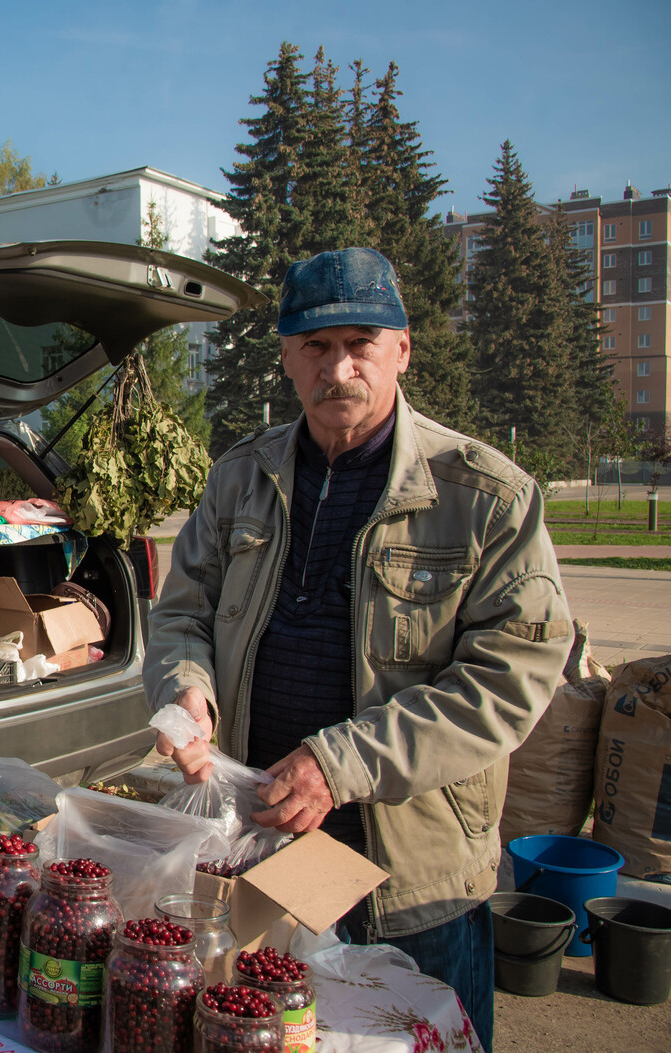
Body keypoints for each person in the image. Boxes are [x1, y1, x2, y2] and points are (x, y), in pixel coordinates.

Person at [144, 247, 570, 1051]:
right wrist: (185, 689)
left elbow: (509, 680)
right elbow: (180, 613)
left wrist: (340, 762)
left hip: (410, 887)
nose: (337, 368)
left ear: (401, 349)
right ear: (286, 357)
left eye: (359, 344)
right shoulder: (240, 478)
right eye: (315, 346)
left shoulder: (486, 496)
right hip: (262, 854)